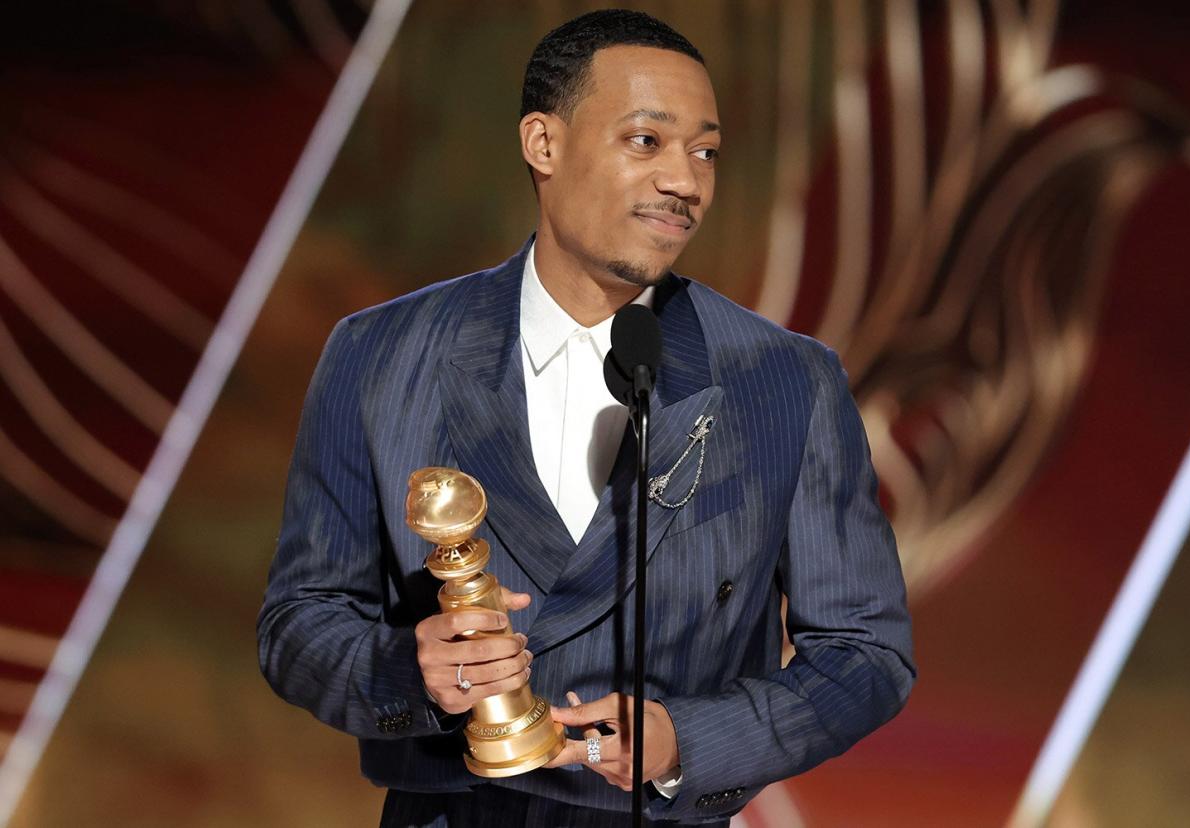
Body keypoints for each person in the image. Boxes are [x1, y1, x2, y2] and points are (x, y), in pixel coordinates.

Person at [258, 9, 914, 827]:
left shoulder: (784, 381)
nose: (686, 181)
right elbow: (298, 624)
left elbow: (866, 654)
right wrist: (407, 672)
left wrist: (689, 740)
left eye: (705, 151)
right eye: (648, 142)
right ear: (544, 143)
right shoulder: (383, 354)